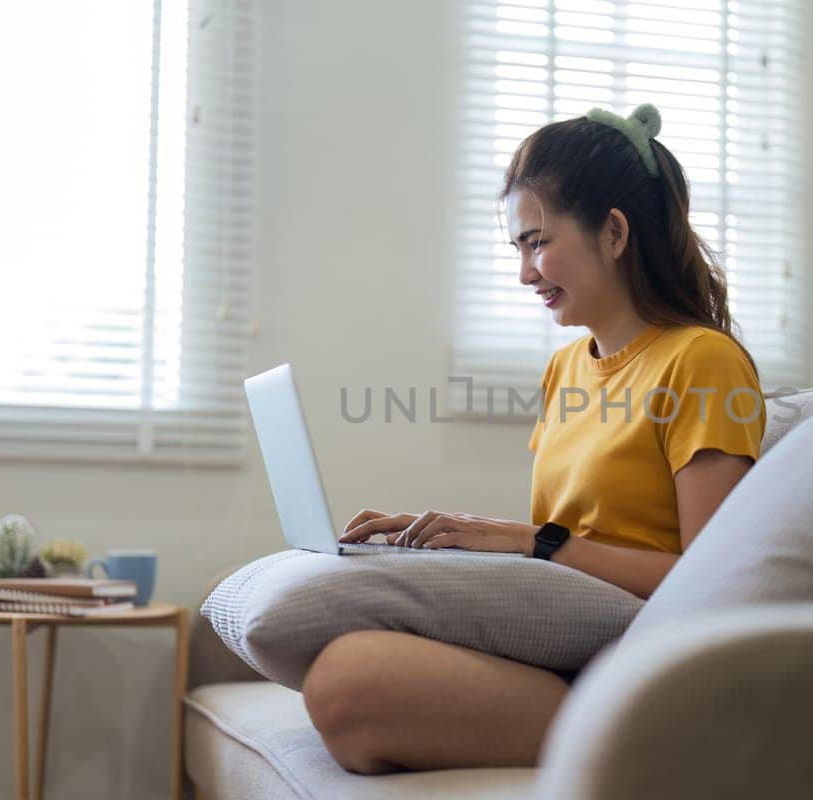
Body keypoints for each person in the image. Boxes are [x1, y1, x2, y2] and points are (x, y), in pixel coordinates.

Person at [303, 104, 765, 774]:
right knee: (344, 645)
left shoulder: (703, 361)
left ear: (613, 232)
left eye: (538, 242)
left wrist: (534, 541)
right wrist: (456, 538)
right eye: (518, 248)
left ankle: (635, 742)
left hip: (637, 671)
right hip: (561, 647)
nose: (525, 273)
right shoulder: (565, 370)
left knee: (348, 683)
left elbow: (711, 582)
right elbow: (572, 543)